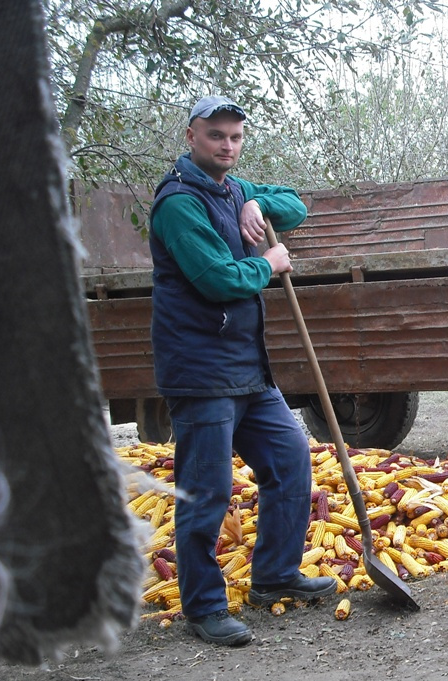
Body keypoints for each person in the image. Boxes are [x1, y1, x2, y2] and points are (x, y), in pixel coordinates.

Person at [149, 95, 335, 646]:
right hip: (201, 370)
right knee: (207, 492)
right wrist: (269, 263)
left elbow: (295, 207)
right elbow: (218, 280)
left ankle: (274, 576)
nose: (227, 146)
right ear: (191, 137)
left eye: (235, 137)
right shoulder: (179, 204)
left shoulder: (230, 189)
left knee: (291, 460)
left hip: (248, 368)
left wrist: (255, 202)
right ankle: (203, 607)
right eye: (215, 137)